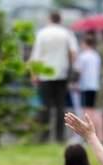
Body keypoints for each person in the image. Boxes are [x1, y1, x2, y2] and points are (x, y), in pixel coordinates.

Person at [30, 11, 78, 143]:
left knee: (45, 106)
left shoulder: (42, 33)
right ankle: (59, 136)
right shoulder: (67, 33)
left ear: (49, 19)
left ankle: (43, 136)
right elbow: (73, 53)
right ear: (60, 20)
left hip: (45, 74)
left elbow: (36, 56)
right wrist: (69, 66)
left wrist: (34, 74)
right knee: (60, 107)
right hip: (62, 74)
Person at [73, 35, 100, 123]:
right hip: (94, 85)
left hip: (85, 85)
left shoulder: (83, 56)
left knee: (86, 109)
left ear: (85, 44)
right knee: (92, 108)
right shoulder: (96, 56)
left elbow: (78, 70)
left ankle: (86, 128)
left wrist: (76, 83)